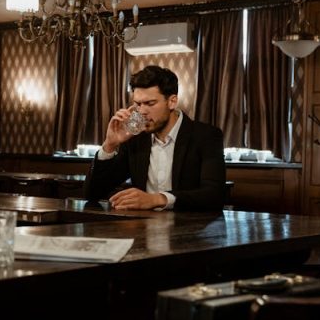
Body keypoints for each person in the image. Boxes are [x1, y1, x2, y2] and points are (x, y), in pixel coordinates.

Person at [83, 65, 225, 211]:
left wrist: (157, 199)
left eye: (150, 103)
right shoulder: (135, 138)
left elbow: (214, 195)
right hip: (142, 228)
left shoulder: (206, 135)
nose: (142, 111)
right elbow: (92, 194)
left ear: (172, 101)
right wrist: (109, 145)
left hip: (189, 227)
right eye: (138, 104)